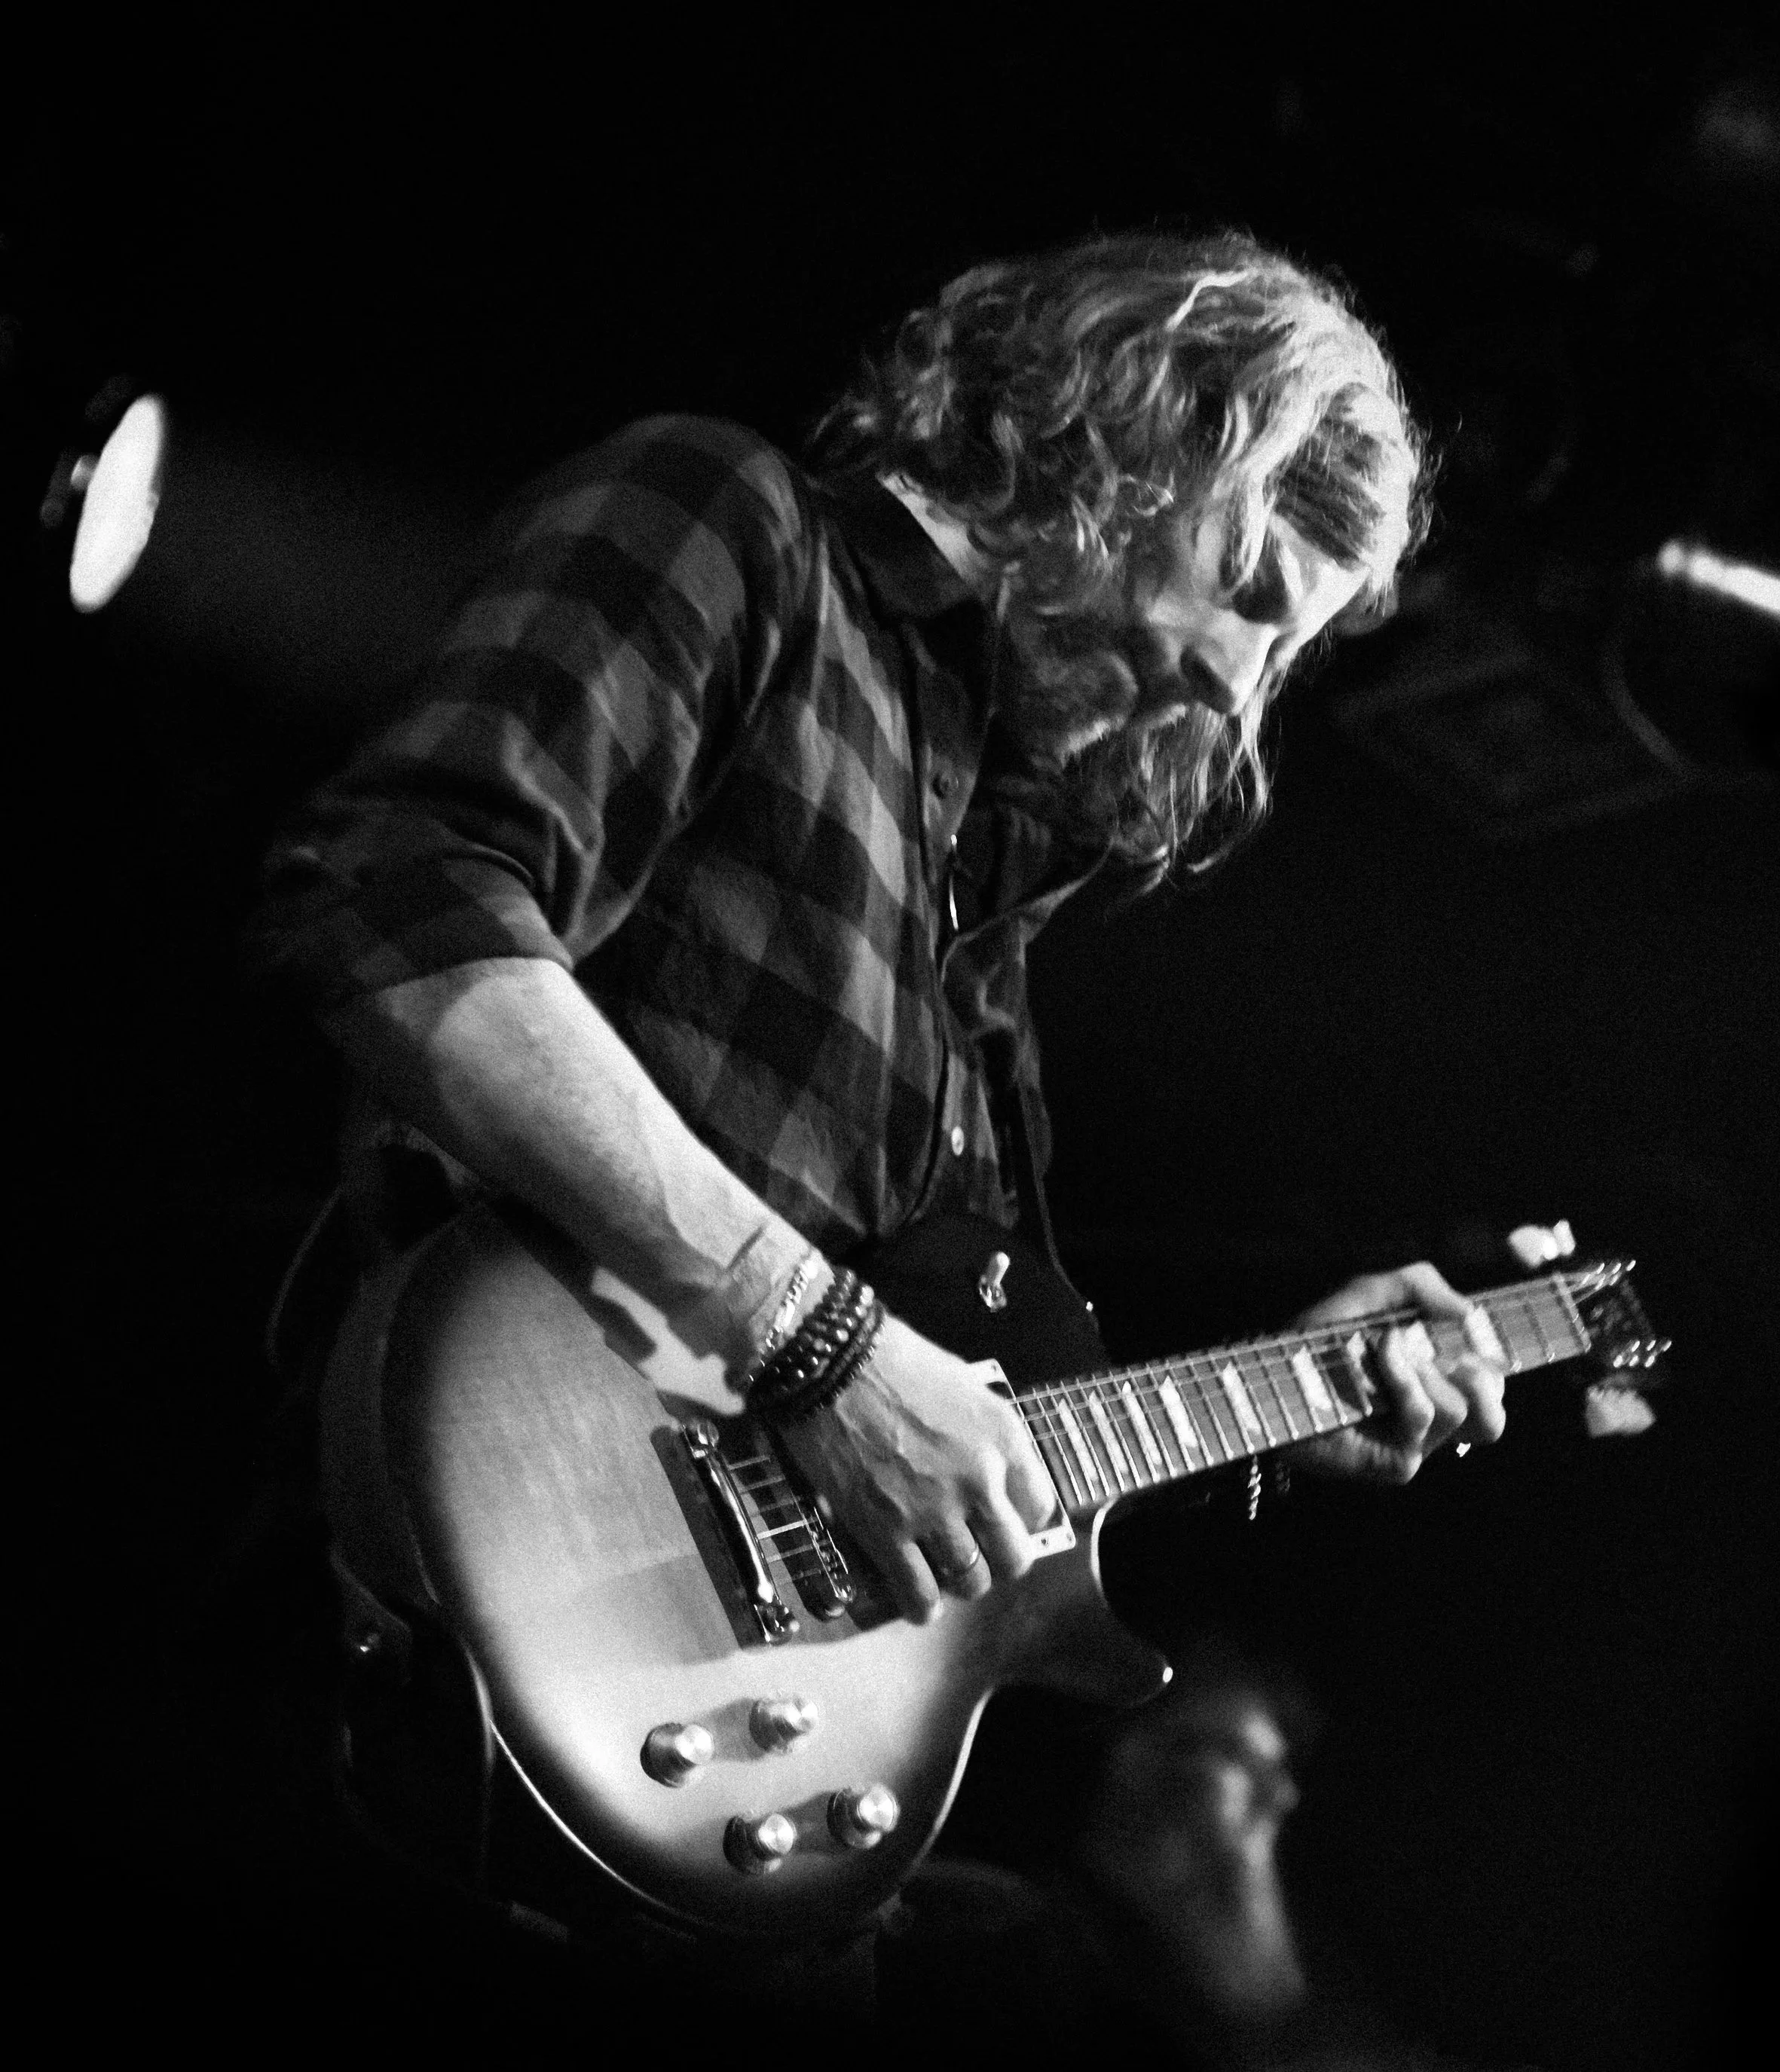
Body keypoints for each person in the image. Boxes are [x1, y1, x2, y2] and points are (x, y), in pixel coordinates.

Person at [248, 230, 1511, 1980]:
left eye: (1280, 654)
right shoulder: (735, 523)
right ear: (1112, 440)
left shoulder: (979, 871)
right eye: (1241, 581)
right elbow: (397, 892)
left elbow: (962, 1419)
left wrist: (1278, 1401)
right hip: (458, 1603)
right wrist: (818, 1345)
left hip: (724, 1763)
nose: (1233, 690)